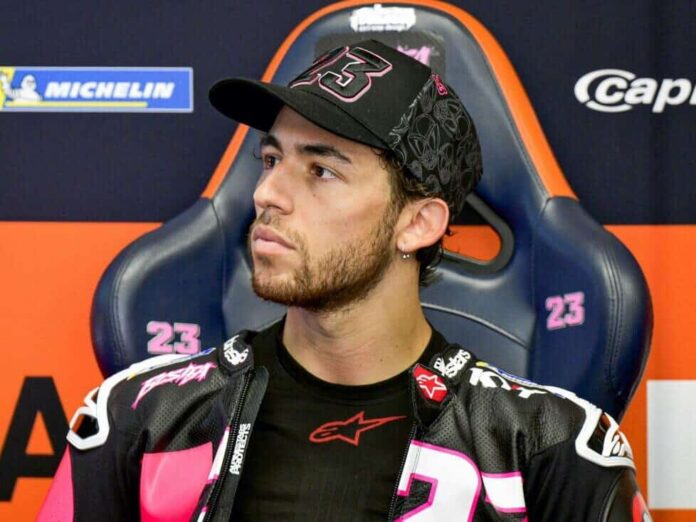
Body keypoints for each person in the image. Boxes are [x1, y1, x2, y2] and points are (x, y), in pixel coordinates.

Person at [39, 39, 650, 521]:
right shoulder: (137, 420)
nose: (266, 193)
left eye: (322, 171)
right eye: (272, 159)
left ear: (417, 223)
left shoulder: (551, 447)